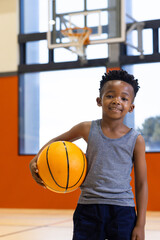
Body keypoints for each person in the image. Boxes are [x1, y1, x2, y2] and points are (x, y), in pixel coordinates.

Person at [29, 69, 148, 240]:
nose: (116, 101)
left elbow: (142, 183)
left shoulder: (136, 140)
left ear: (131, 107)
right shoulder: (86, 128)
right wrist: (35, 160)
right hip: (88, 208)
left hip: (122, 210)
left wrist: (141, 224)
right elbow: (56, 142)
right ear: (99, 100)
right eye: (110, 96)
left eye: (124, 98)